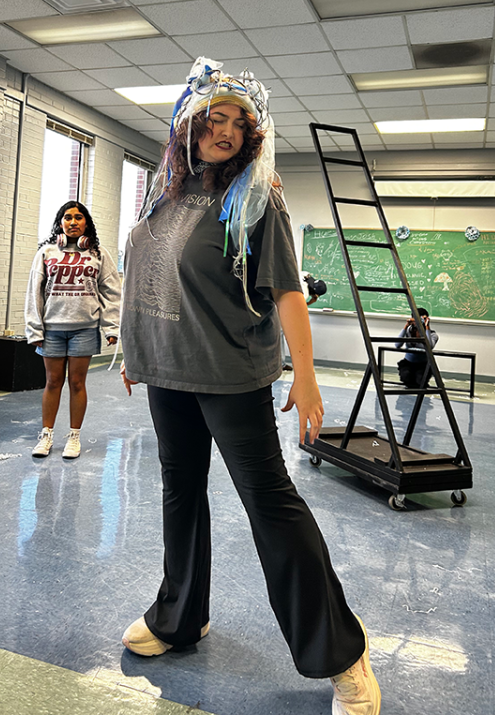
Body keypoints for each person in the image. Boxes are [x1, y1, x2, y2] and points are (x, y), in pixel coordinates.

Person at [118, 58, 381, 714]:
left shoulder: (259, 199)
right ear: (188, 125)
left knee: (270, 505)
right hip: (166, 371)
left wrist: (308, 374)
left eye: (239, 122)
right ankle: (179, 616)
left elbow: (286, 290)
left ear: (252, 137)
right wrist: (134, 347)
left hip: (229, 374)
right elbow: (147, 277)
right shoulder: (165, 194)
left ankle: (342, 655)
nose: (226, 129)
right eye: (215, 117)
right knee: (180, 492)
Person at [25, 201, 121, 459]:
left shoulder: (99, 254)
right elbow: (34, 293)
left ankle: (74, 437)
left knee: (77, 382)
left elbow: (112, 292)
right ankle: (46, 436)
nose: (73, 222)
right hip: (52, 330)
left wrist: (112, 326)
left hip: (84, 329)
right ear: (60, 223)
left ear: (86, 223)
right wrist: (35, 330)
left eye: (79, 217)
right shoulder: (46, 253)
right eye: (67, 217)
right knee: (52, 382)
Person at [395, 307, 439, 389]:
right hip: (408, 363)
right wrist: (406, 326)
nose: (417, 321)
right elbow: (397, 344)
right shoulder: (409, 331)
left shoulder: (432, 334)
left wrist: (427, 327)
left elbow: (429, 346)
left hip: (423, 364)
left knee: (420, 382)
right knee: (406, 378)